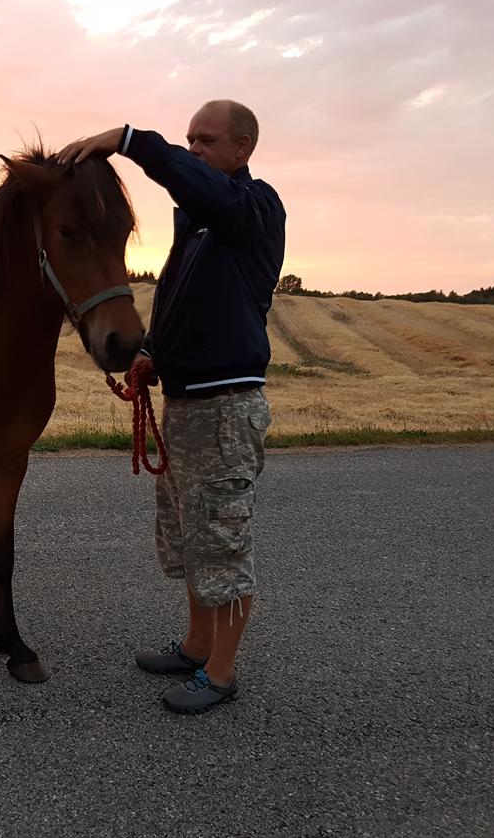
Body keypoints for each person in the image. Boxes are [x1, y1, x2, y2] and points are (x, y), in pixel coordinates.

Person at [57, 100, 285, 714]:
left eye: (205, 141)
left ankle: (221, 674)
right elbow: (185, 305)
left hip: (226, 410)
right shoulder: (201, 225)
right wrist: (154, 353)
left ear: (243, 147)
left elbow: (205, 188)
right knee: (189, 537)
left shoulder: (254, 207)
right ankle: (194, 646)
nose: (193, 150)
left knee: (222, 541)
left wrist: (133, 141)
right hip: (186, 405)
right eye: (186, 140)